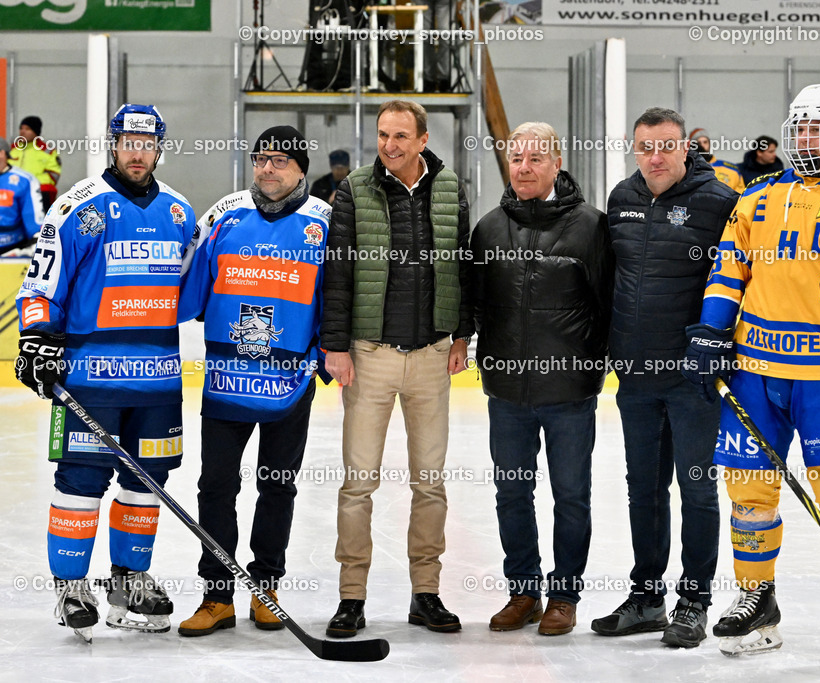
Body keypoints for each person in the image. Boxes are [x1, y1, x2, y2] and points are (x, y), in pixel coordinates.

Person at [682, 82, 820, 667]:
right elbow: (729, 269)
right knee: (749, 492)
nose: (808, 139)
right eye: (801, 127)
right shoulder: (756, 197)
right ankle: (758, 598)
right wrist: (710, 334)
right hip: (755, 373)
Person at [14, 104, 196, 642]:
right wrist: (37, 340)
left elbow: (199, 290)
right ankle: (71, 585)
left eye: (147, 142)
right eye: (127, 141)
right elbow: (38, 285)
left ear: (159, 147)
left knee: (149, 481)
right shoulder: (77, 207)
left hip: (159, 378)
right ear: (113, 144)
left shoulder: (182, 212)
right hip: (91, 378)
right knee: (81, 480)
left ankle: (129, 578)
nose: (137, 151)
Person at [320, 100, 472, 636]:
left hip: (431, 356)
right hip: (369, 356)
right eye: (384, 134)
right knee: (358, 484)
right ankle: (351, 597)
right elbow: (336, 272)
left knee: (430, 483)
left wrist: (461, 335)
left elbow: (464, 267)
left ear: (423, 139)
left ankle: (425, 593)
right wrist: (335, 344)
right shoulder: (354, 189)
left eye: (402, 135)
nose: (390, 144)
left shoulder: (450, 188)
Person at [175, 126, 332, 636]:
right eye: (261, 159)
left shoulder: (323, 222)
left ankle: (267, 587)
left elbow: (340, 296)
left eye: (280, 161)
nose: (267, 168)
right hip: (227, 377)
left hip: (289, 379)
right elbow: (185, 277)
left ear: (301, 170)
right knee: (215, 485)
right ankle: (216, 596)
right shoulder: (224, 213)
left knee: (276, 486)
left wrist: (332, 353)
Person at [591, 107, 737, 648]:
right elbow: (611, 281)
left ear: (685, 148)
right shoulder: (622, 199)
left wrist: (718, 351)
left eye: (666, 146)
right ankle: (647, 597)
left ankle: (694, 601)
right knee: (643, 491)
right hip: (636, 372)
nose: (655, 157)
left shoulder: (720, 201)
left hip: (692, 376)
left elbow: (736, 282)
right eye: (645, 147)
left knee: (697, 491)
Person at [472, 122, 612, 636]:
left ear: (557, 162)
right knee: (511, 493)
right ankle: (523, 590)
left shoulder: (591, 227)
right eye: (516, 160)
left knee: (571, 495)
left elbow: (607, 305)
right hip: (507, 390)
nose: (524, 168)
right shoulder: (488, 228)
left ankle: (564, 595)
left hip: (569, 391)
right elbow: (479, 304)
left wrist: (586, 361)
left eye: (535, 159)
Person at [0, 136, 42, 256]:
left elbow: (33, 216)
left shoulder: (25, 180)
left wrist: (36, 241)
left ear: (1, 153)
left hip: (11, 250)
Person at [9, 116, 62, 212]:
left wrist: (31, 184)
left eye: (27, 129)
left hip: (38, 193)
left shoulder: (47, 150)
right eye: (21, 128)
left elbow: (54, 175)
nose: (22, 132)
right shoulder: (12, 149)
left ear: (36, 132)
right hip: (14, 191)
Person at [690, 128, 745, 193]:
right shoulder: (686, 169)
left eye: (705, 142)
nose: (702, 145)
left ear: (709, 144)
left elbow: (741, 198)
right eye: (698, 143)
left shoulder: (732, 170)